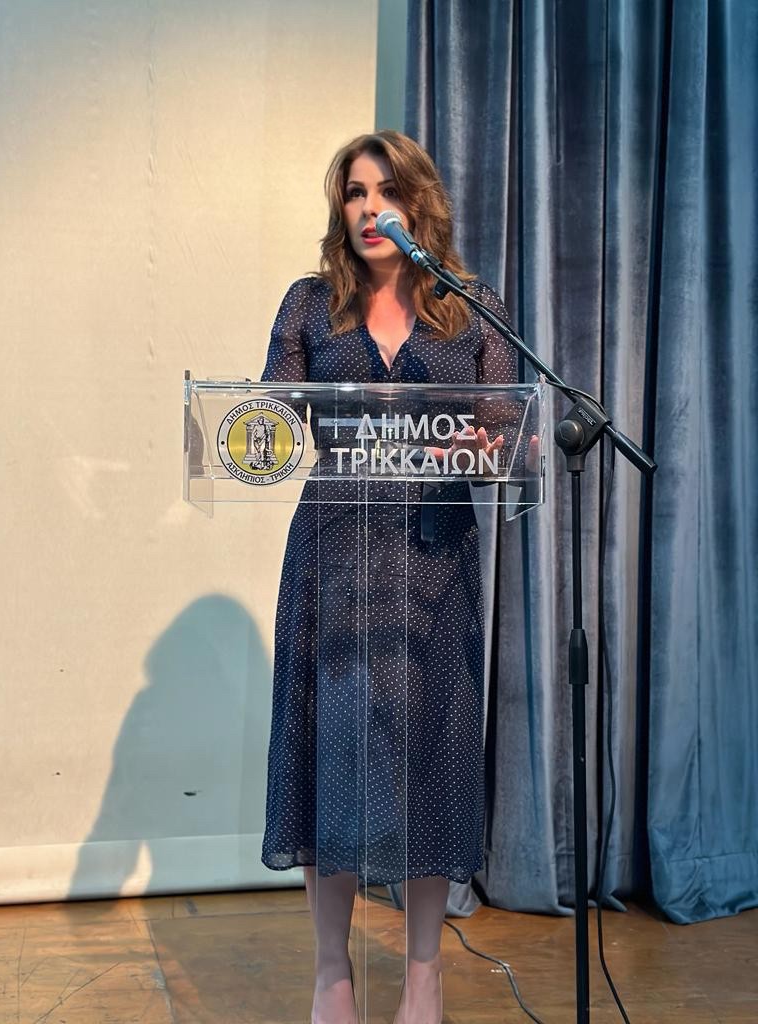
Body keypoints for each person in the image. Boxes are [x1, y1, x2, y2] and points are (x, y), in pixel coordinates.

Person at [260, 130, 518, 1024]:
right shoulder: (309, 304)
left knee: (430, 761)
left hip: (434, 557)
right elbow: (270, 415)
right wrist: (265, 419)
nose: (371, 209)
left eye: (387, 191)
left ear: (420, 204)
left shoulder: (469, 307)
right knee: (330, 753)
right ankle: (331, 974)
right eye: (355, 193)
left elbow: (508, 427)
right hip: (333, 555)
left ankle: (422, 979)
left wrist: (486, 442)